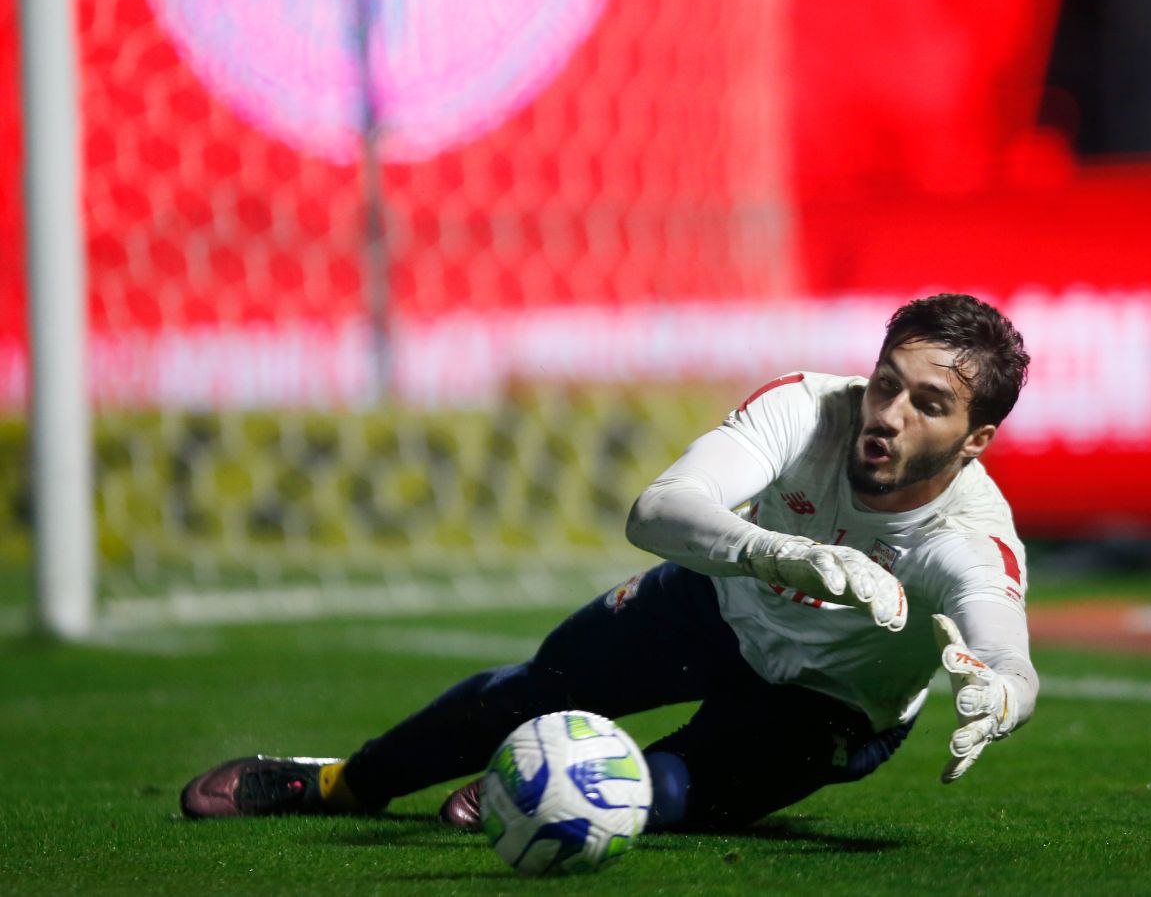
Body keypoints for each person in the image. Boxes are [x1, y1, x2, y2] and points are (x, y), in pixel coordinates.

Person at [181, 292, 1037, 830]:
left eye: (928, 405)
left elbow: (1003, 645)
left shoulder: (966, 535)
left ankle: (540, 791)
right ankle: (334, 783)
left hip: (830, 704)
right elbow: (659, 510)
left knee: (649, 794)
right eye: (887, 381)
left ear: (977, 440)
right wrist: (775, 553)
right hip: (723, 602)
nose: (888, 413)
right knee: (528, 691)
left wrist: (1000, 689)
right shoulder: (809, 408)